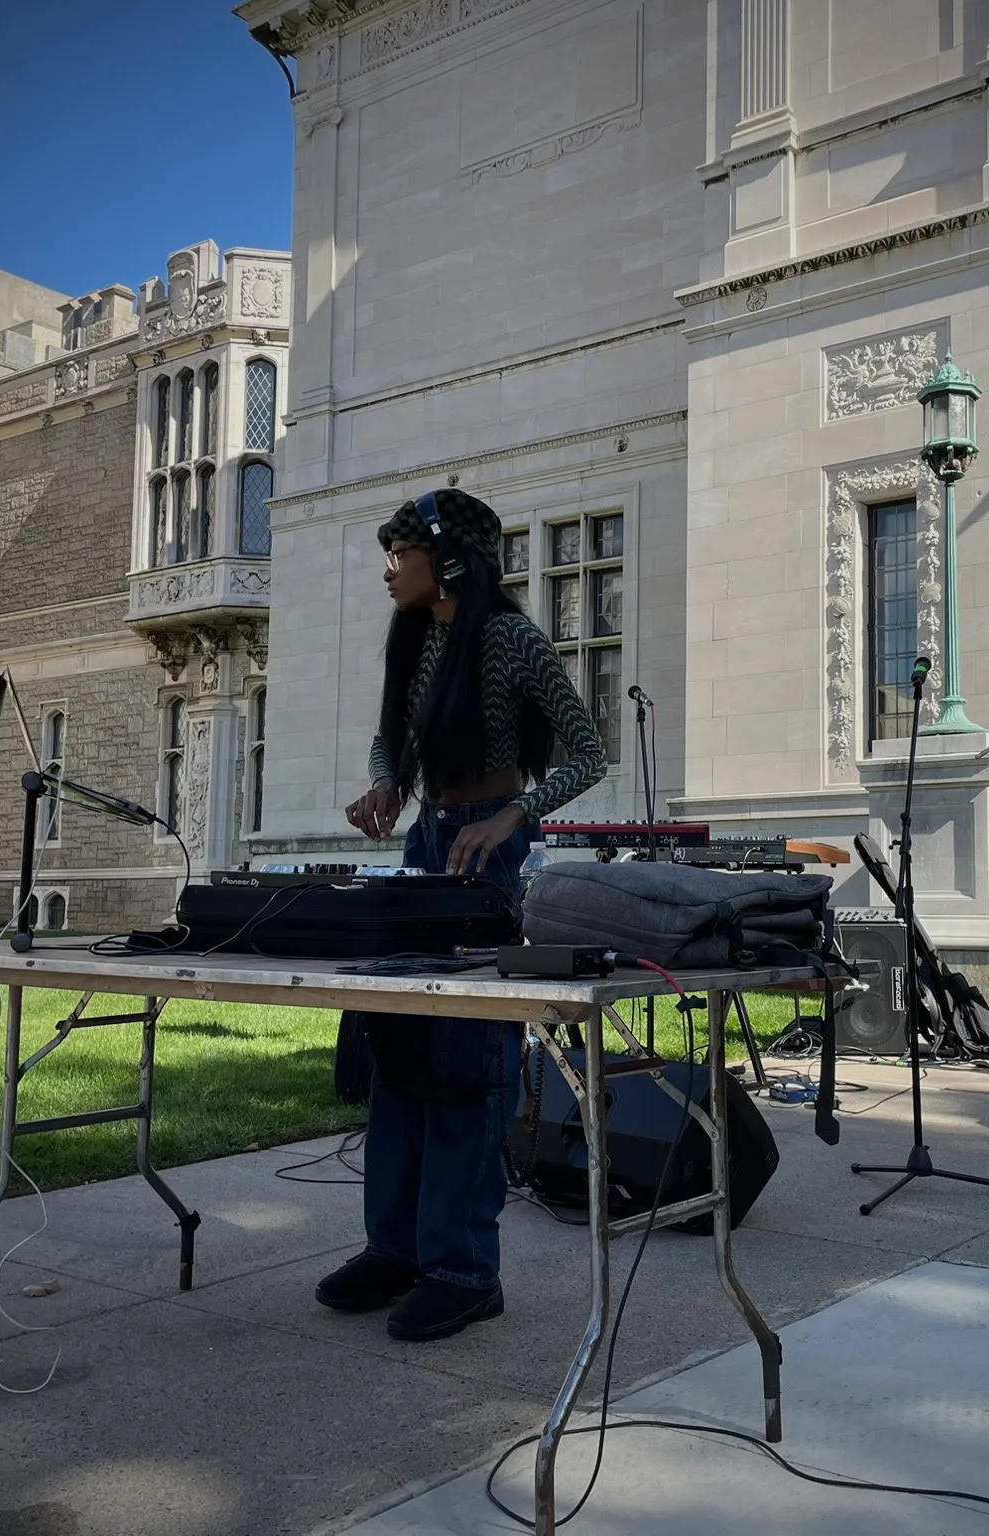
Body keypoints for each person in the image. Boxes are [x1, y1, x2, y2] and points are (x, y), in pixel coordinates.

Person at [322, 489, 606, 1341]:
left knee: (465, 1058)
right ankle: (395, 1249)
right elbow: (390, 737)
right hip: (426, 849)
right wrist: (385, 782)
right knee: (399, 1045)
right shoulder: (414, 640)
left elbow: (588, 751)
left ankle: (464, 1269)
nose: (387, 568)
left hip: (492, 860)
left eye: (398, 552)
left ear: (445, 559)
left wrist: (514, 815)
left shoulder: (512, 639)